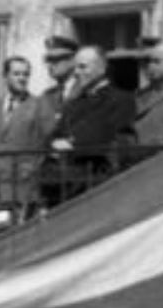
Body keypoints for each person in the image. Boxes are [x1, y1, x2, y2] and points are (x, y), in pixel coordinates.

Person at [42, 44, 135, 207]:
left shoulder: (121, 100)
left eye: (83, 67)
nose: (77, 73)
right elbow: (54, 136)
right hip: (64, 186)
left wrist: (72, 144)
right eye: (76, 67)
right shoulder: (73, 104)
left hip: (97, 185)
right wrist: (55, 144)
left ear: (102, 68)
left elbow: (115, 140)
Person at [0, 55, 55, 217]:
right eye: (17, 74)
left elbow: (47, 142)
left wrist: (31, 169)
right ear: (5, 76)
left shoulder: (40, 104)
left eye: (25, 74)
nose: (22, 78)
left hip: (23, 184)